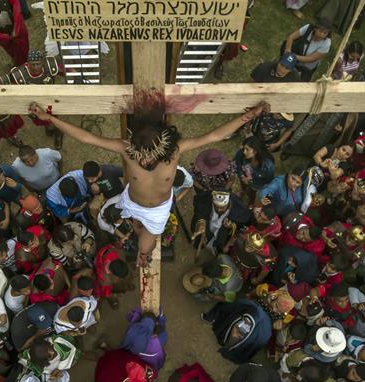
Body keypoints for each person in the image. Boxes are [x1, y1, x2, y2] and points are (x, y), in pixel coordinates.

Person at [33, 100, 270, 267]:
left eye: (149, 156)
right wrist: (50, 119)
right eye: (140, 154)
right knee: (136, 227)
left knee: (146, 244)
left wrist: (249, 116)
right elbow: (87, 137)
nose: (144, 160)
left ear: (162, 148)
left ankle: (143, 257)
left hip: (157, 211)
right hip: (131, 201)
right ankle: (138, 231)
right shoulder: (128, 150)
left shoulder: (176, 151)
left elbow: (214, 135)